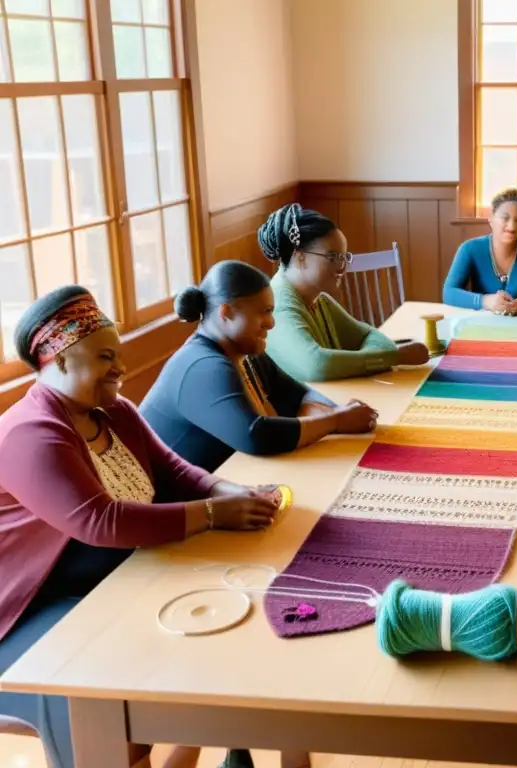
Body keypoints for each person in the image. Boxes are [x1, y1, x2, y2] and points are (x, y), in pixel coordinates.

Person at [0, 286, 280, 768]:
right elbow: (99, 521)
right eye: (105, 357)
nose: (119, 368)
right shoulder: (30, 433)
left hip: (95, 581)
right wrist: (213, 515)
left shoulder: (115, 413)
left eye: (119, 355)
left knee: (210, 619)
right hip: (22, 609)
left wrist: (223, 490)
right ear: (61, 360)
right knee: (95, 679)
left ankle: (214, 737)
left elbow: (173, 471)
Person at [140, 260, 377, 474]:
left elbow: (299, 393)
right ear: (227, 312)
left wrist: (329, 414)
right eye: (264, 312)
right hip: (164, 505)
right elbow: (256, 436)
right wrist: (334, 421)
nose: (271, 323)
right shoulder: (202, 366)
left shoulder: (246, 353)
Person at [259, 203, 429, 382]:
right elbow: (317, 365)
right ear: (299, 256)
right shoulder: (279, 306)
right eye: (333, 257)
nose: (343, 266)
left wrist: (358, 360)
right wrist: (396, 356)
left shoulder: (319, 300)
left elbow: (372, 335)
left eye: (344, 257)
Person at [442, 186, 517, 313]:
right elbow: (449, 293)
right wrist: (485, 301)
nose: (512, 226)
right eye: (505, 218)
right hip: (483, 326)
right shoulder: (469, 249)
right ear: (491, 221)